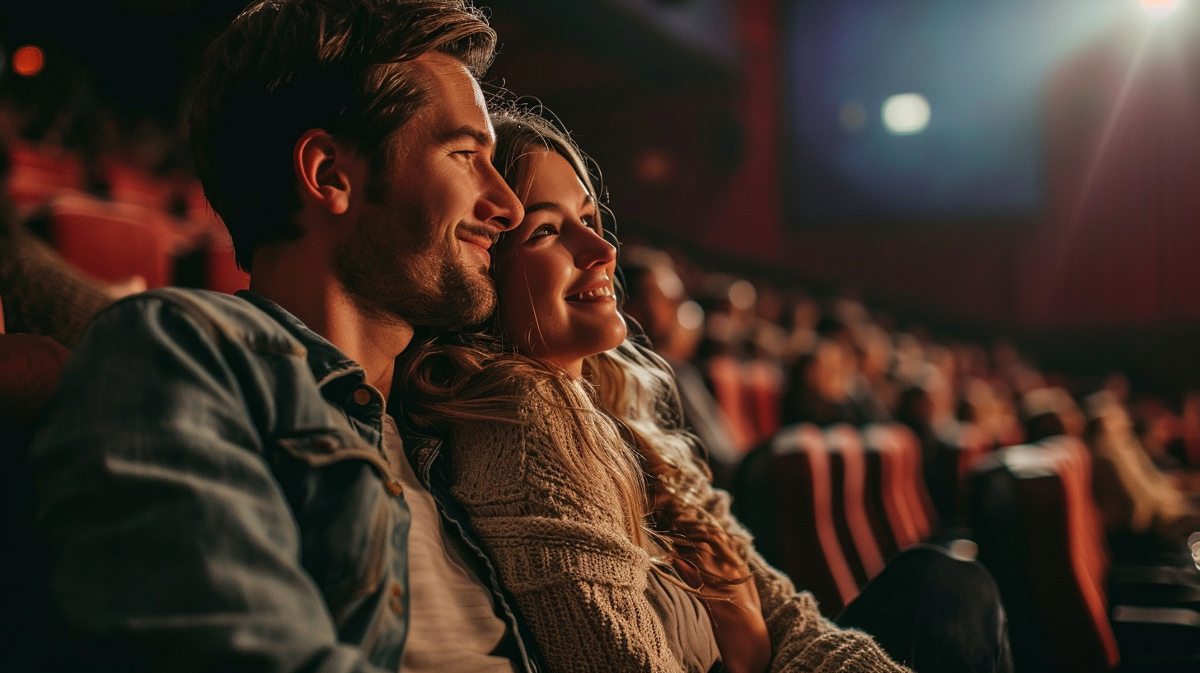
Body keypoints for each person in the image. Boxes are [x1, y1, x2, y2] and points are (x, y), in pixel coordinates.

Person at [396, 108, 1009, 673]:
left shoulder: (619, 420)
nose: (602, 249)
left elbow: (786, 618)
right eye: (547, 232)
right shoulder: (523, 434)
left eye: (588, 218)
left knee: (943, 584)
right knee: (946, 590)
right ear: (483, 272)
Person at [26, 2, 543, 671]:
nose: (509, 204)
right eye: (465, 154)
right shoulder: (184, 354)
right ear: (330, 175)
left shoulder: (458, 421)